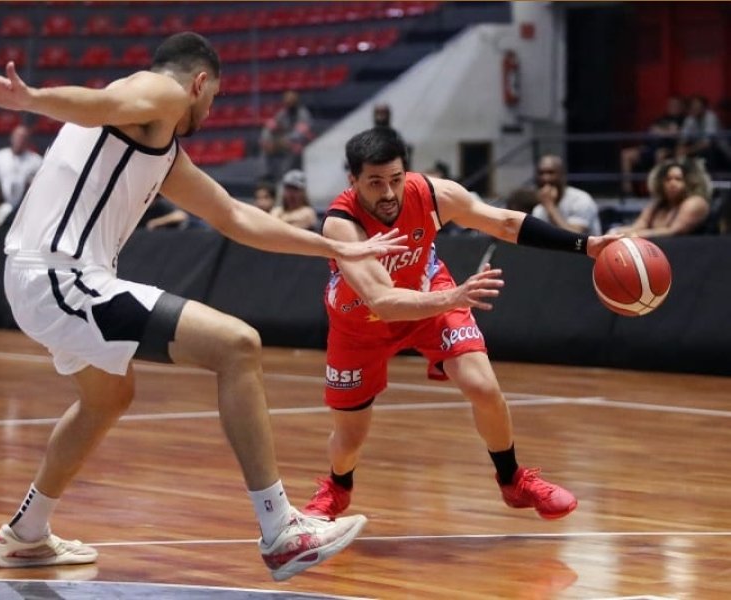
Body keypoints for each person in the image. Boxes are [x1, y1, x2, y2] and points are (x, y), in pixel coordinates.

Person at [0, 32, 409, 581]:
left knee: (108, 397)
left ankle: (25, 534)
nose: (210, 111)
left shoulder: (157, 146)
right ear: (197, 83)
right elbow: (103, 103)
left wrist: (334, 246)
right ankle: (281, 528)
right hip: (59, 275)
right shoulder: (160, 94)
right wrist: (32, 99)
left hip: (43, 279)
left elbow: (234, 217)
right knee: (237, 346)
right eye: (211, 98)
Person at [301, 128, 616, 522]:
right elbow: (383, 302)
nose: (388, 193)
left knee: (484, 387)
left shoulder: (433, 194)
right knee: (350, 439)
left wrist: (584, 245)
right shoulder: (342, 225)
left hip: (430, 295)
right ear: (353, 181)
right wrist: (452, 297)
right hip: (361, 322)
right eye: (375, 183)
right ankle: (338, 487)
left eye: (395, 180)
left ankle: (513, 478)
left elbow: (503, 222)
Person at [609, 159, 710, 237]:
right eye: (668, 179)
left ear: (690, 182)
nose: (672, 183)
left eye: (678, 179)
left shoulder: (696, 202)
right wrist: (616, 232)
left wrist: (633, 236)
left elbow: (674, 231)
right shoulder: (657, 205)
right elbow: (637, 227)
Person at [620, 95, 686, 196]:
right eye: (671, 105)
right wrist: (665, 132)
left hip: (669, 150)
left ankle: (657, 190)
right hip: (650, 148)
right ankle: (627, 190)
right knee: (626, 154)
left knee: (660, 154)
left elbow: (675, 135)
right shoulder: (662, 118)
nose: (672, 107)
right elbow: (651, 131)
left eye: (675, 105)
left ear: (681, 107)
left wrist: (662, 132)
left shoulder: (684, 120)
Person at [532, 155, 601, 235]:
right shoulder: (538, 210)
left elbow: (575, 238)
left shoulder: (581, 200)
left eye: (551, 172)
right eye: (541, 173)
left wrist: (550, 207)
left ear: (562, 175)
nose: (545, 178)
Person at [259, 90, 313, 183]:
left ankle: (283, 177)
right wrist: (267, 140)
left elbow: (300, 134)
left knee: (294, 148)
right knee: (266, 148)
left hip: (300, 144)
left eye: (291, 100)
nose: (288, 103)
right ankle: (266, 174)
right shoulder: (282, 113)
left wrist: (285, 140)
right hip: (282, 142)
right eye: (287, 101)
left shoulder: (303, 114)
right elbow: (270, 126)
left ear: (296, 101)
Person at [0, 124, 43, 208]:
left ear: (28, 141)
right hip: (0, 205)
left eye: (23, 137)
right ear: (11, 138)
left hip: (25, 206)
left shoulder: (36, 161)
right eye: (17, 137)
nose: (20, 140)